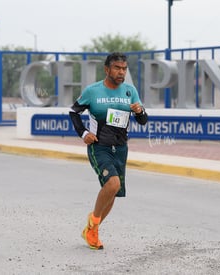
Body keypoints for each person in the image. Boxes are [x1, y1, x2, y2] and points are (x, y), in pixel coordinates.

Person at [69, 52, 148, 250]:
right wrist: (83, 133)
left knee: (113, 193)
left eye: (124, 69)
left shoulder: (130, 91)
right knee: (112, 184)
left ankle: (92, 230)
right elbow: (74, 112)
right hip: (99, 146)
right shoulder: (93, 91)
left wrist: (140, 112)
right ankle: (93, 223)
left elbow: (143, 120)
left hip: (121, 148)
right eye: (117, 68)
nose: (121, 72)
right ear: (107, 69)